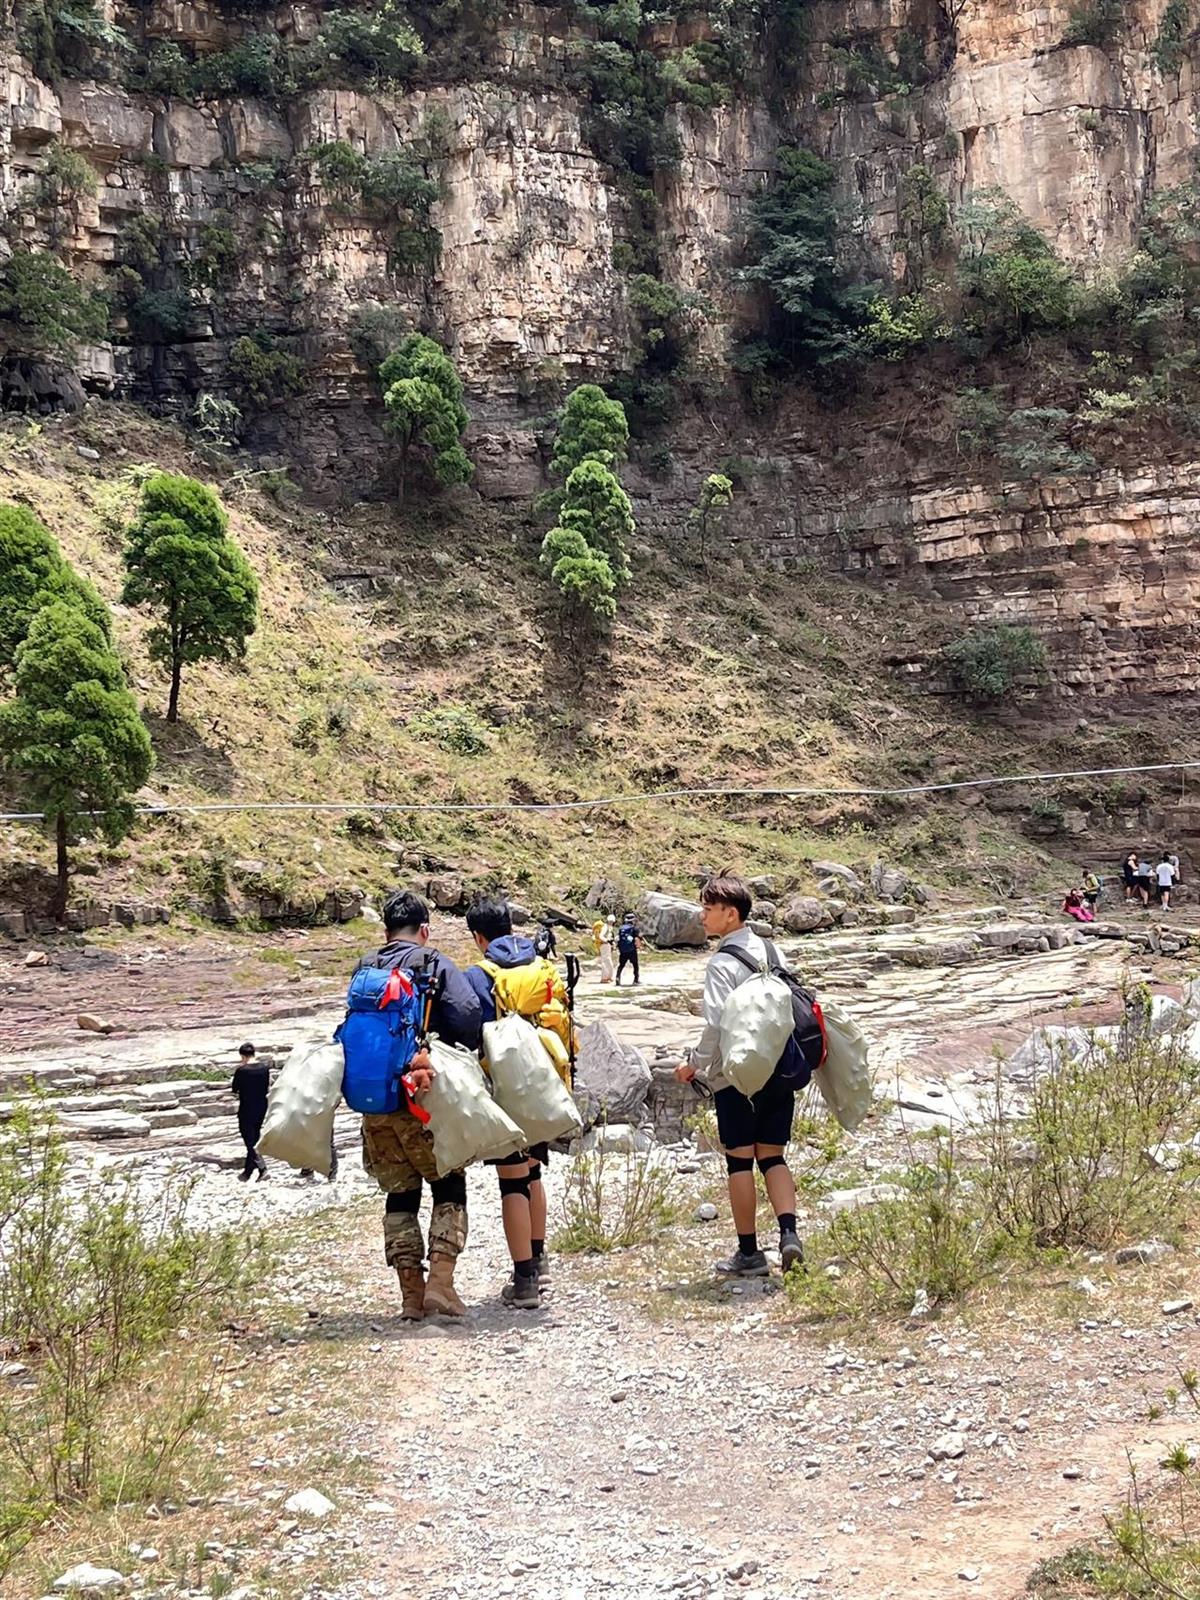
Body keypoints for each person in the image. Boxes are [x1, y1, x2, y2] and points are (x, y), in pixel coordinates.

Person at [355, 889, 482, 1321]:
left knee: (399, 1195)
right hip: (421, 1096)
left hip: (374, 1102)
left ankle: (410, 1295)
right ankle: (440, 1286)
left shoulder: (366, 967)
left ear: (385, 931)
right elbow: (468, 1017)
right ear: (424, 930)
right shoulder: (433, 963)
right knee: (448, 1185)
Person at [674, 872, 804, 1279]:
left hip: (736, 1077)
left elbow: (715, 1024)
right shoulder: (773, 950)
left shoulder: (721, 964)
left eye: (708, 909)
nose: (702, 916)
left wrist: (695, 1064)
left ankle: (748, 1252)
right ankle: (789, 1233)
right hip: (779, 1068)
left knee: (739, 1162)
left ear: (730, 915)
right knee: (774, 1155)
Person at [466, 895, 574, 1309]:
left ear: (478, 937)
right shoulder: (541, 966)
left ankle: (524, 1279)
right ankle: (540, 1260)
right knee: (533, 1173)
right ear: (511, 925)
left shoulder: (480, 975)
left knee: (511, 1180)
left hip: (506, 1087)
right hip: (545, 1082)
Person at [232, 1042, 270, 1182]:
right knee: (255, 1135)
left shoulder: (242, 1071)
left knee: (249, 1140)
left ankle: (262, 1168)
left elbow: (235, 1089)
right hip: (261, 1107)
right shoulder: (264, 1068)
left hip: (247, 1108)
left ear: (242, 1055)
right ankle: (247, 1171)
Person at [616, 913, 642, 986]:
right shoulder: (634, 928)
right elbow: (638, 938)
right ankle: (636, 980)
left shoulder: (621, 928)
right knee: (635, 965)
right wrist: (639, 946)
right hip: (632, 950)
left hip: (623, 950)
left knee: (621, 965)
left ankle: (617, 978)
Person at [598, 915, 616, 984]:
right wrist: (607, 940)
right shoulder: (605, 927)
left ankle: (608, 977)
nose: (611, 922)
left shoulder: (609, 927)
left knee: (607, 961)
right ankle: (605, 977)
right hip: (604, 945)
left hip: (607, 945)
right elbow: (600, 936)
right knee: (605, 961)